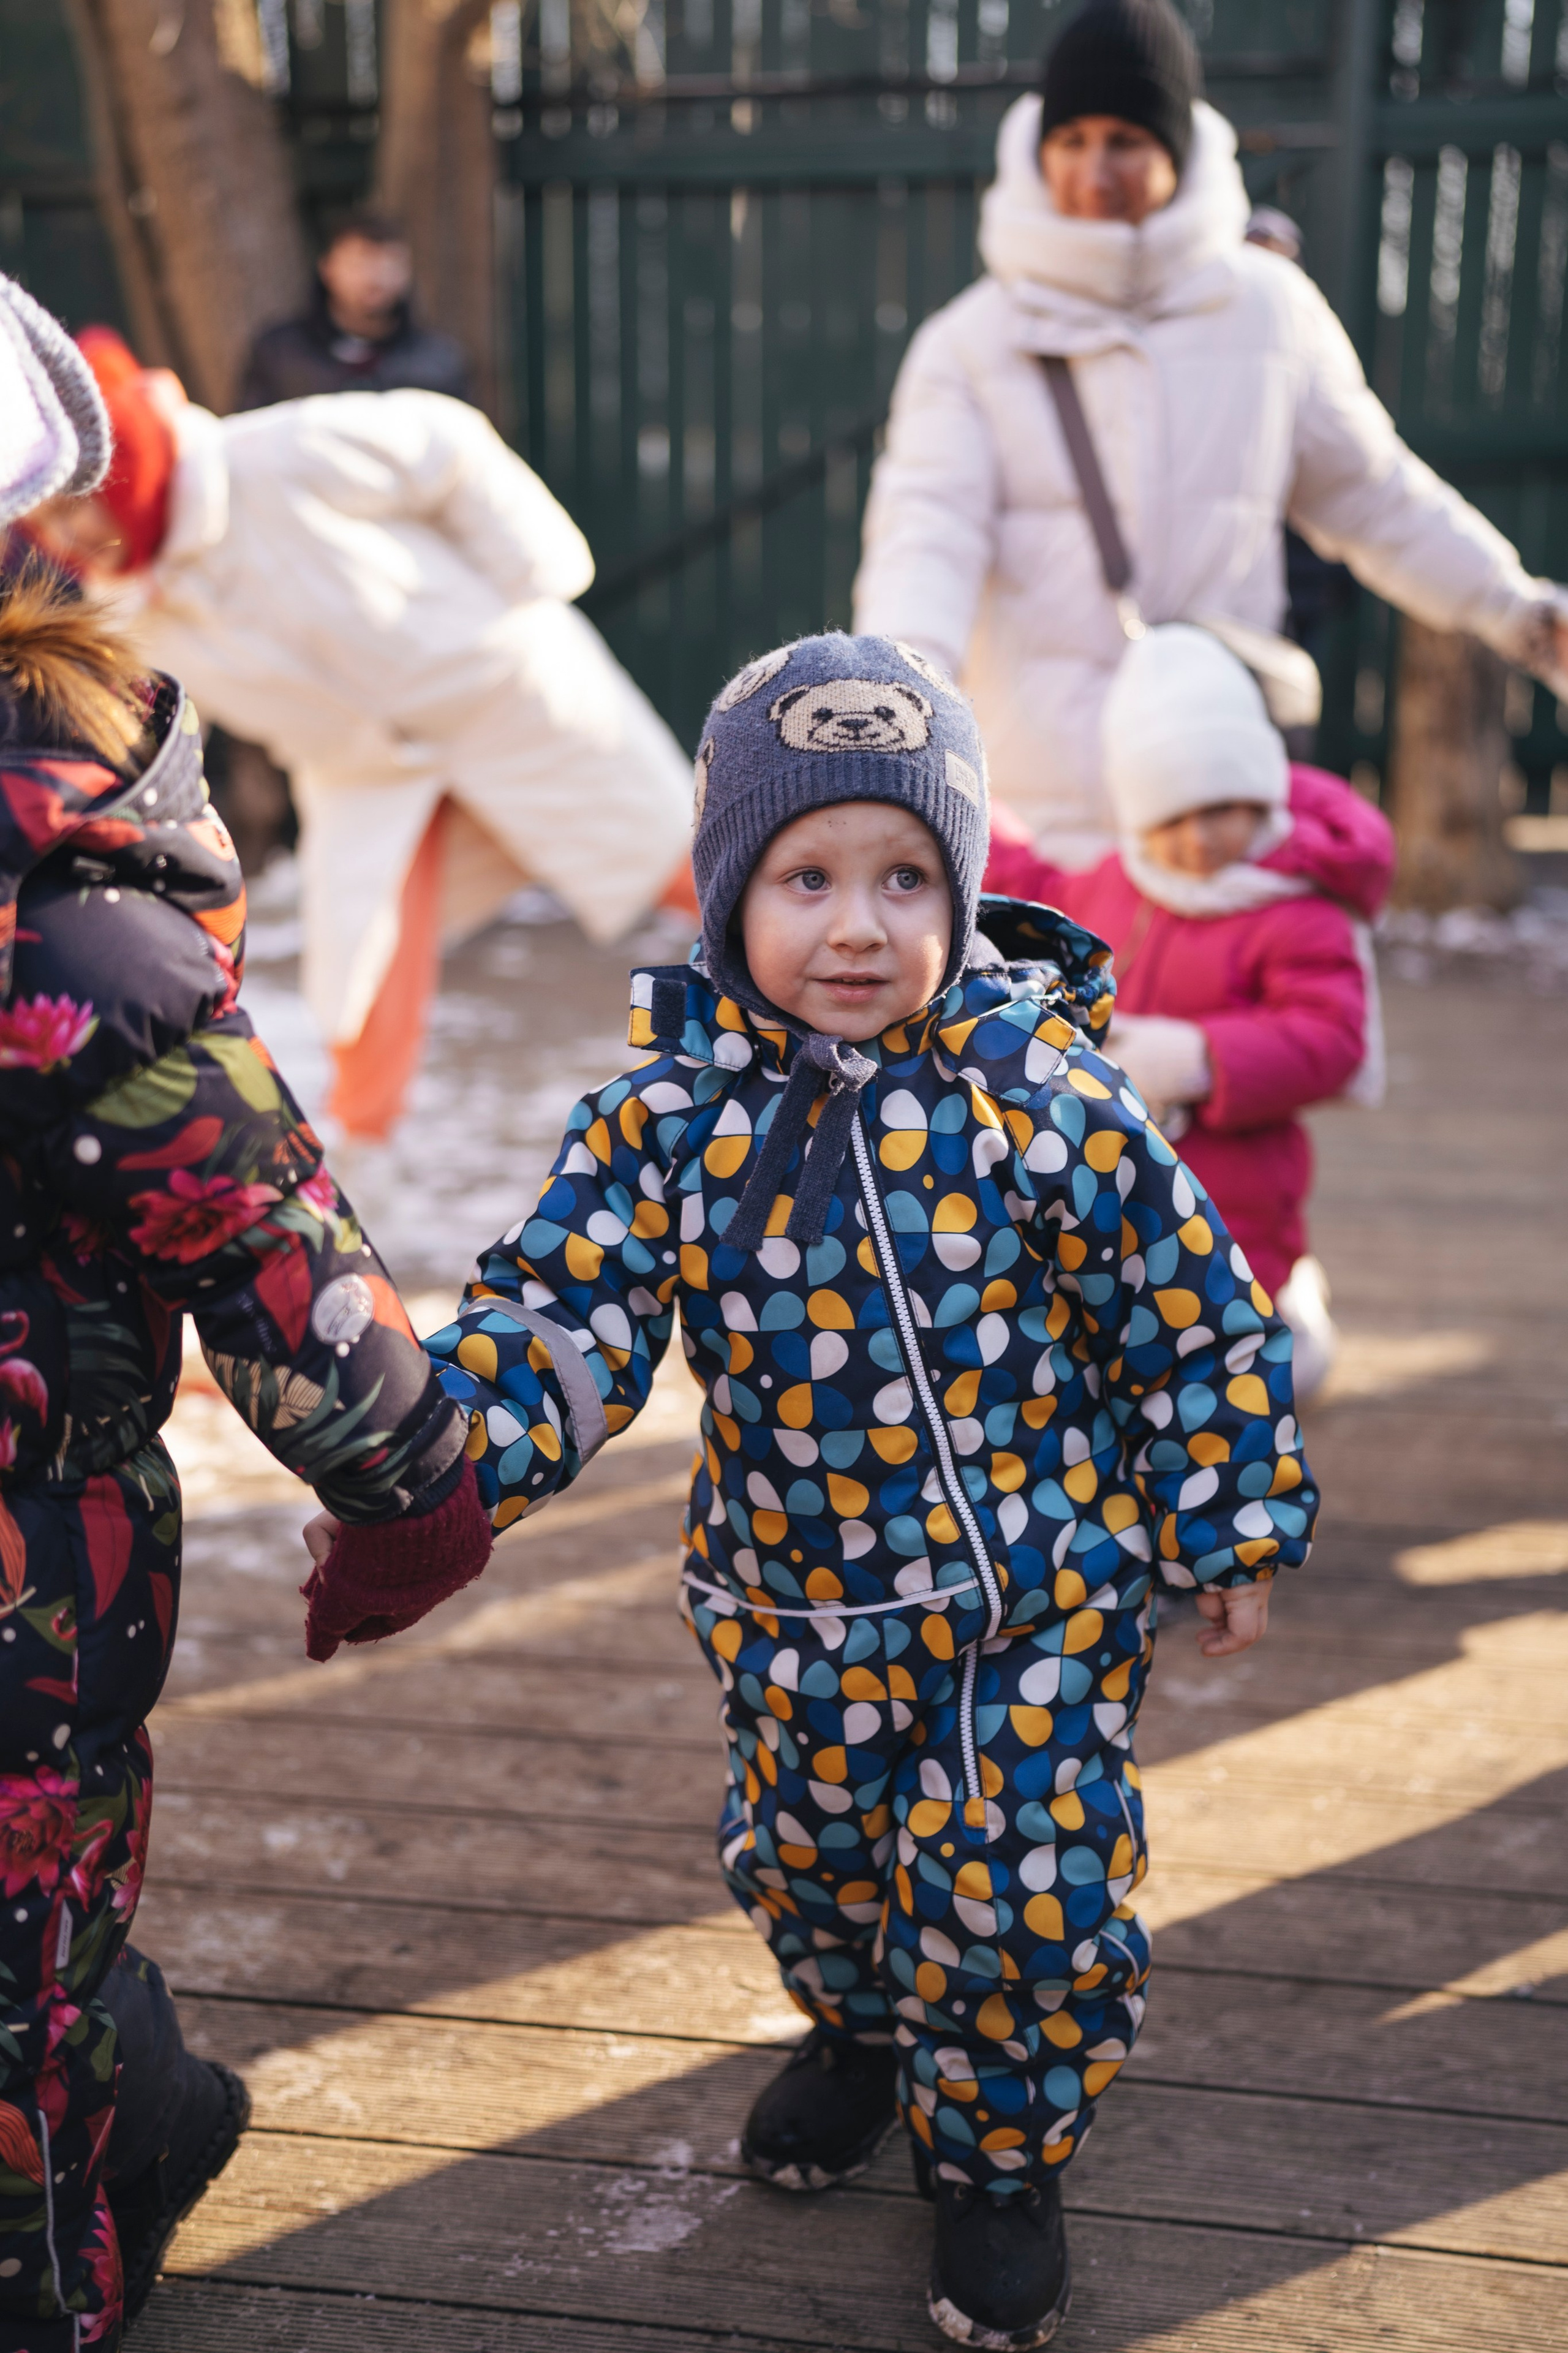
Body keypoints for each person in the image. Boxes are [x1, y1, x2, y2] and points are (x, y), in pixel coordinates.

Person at [345, 632, 1319, 2348]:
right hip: (792, 1603)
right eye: (806, 876)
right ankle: (863, 2024)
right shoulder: (670, 1123)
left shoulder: (1044, 1095)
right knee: (813, 1857)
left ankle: (1002, 2153)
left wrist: (1229, 1514)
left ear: (963, 886)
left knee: (1019, 1885)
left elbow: (1191, 1309)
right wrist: (447, 1453)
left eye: (904, 876)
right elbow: (563, 1313)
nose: (857, 925)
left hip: (1037, 1598)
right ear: (729, 895)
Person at [0, 271, 496, 2351]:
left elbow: (251, 1218)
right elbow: (267, 1238)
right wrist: (408, 1491)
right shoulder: (77, 936)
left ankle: (97, 2161)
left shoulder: (75, 941)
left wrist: (402, 1486)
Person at [852, 0, 1568, 866]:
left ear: (1179, 148)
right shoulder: (969, 345)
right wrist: (884, 721)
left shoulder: (1269, 313)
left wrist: (1517, 610)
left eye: (1126, 139)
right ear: (1035, 151)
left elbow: (1377, 498)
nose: (1096, 169)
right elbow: (924, 544)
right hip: (1043, 824)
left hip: (1213, 805)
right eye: (1071, 141)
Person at [23, 331, 698, 1149]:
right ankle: (362, 1179)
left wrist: (530, 578)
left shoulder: (276, 455)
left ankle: (832, 1047)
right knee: (359, 984)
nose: (69, 537)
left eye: (74, 504)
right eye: (47, 519)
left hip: (503, 703)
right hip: (364, 776)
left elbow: (446, 445)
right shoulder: (132, 610)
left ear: (122, 463)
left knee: (692, 870)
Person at [986, 623, 1394, 1400]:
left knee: (1234, 1334)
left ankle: (1281, 1333)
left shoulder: (1294, 907)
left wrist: (1196, 1055)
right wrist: (972, 816)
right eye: (1172, 819)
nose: (1199, 840)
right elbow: (1039, 889)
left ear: (1262, 793)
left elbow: (1333, 1035)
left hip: (1237, 1181)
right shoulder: (1117, 881)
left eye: (1225, 809)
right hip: (1121, 1178)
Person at [236, 209, 474, 410]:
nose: (375, 278)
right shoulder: (279, 353)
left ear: (407, 272)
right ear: (328, 268)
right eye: (359, 263)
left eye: (390, 264)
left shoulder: (438, 360)